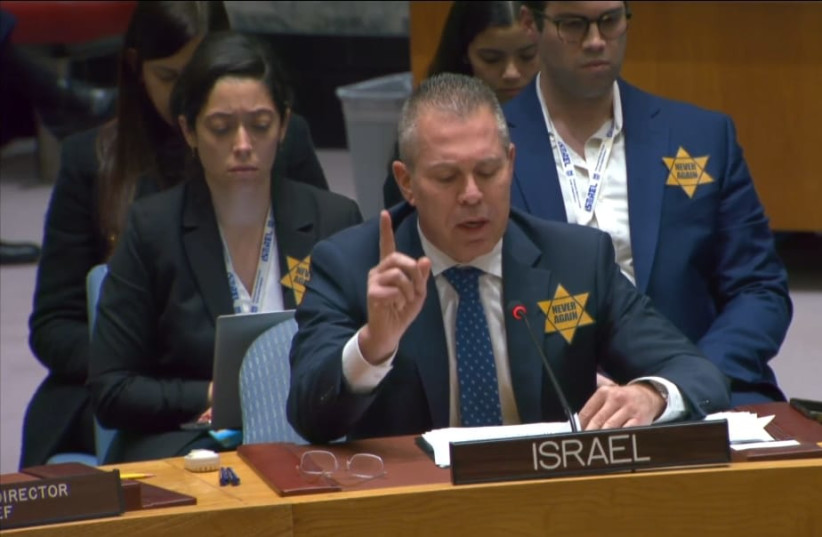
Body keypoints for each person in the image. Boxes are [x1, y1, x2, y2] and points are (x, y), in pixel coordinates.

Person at [287, 73, 730, 444]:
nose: (472, 195)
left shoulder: (576, 259)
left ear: (511, 163)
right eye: (447, 177)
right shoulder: (348, 267)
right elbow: (310, 418)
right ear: (406, 182)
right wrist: (374, 346)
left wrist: (651, 395)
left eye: (488, 171)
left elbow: (697, 372)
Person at [86, 31, 361, 463]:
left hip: (310, 444)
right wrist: (212, 394)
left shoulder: (334, 219)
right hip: (193, 449)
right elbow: (112, 389)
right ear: (189, 130)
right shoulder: (153, 228)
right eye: (221, 127)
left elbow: (358, 354)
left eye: (260, 124)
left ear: (284, 126)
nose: (243, 145)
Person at [505, 1, 791, 405]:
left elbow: (758, 289)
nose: (595, 41)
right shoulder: (486, 154)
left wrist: (680, 386)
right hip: (557, 404)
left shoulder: (703, 136)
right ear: (530, 24)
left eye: (610, 21)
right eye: (573, 25)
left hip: (701, 394)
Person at [383, 0, 539, 208]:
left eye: (527, 56)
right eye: (491, 59)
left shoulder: (574, 114)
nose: (511, 73)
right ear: (465, 54)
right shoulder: (427, 126)